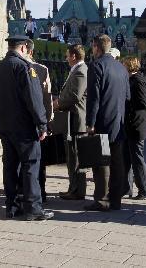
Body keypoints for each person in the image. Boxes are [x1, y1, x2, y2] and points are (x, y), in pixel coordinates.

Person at [0, 35, 53, 221]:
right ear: (23, 48)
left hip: (4, 124)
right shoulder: (24, 68)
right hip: (23, 126)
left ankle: (12, 206)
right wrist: (42, 124)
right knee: (31, 164)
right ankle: (33, 208)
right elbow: (34, 99)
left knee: (10, 165)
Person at [84, 34, 130, 212]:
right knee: (117, 162)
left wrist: (90, 122)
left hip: (102, 121)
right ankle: (116, 199)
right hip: (118, 122)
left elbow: (94, 98)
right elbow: (127, 97)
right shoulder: (121, 68)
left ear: (96, 47)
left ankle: (102, 200)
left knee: (101, 163)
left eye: (93, 47)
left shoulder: (96, 65)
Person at [56, 44, 88, 200]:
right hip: (71, 118)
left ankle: (77, 190)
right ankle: (73, 188)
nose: (66, 58)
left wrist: (58, 103)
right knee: (72, 156)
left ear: (74, 56)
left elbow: (75, 95)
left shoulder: (81, 71)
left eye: (67, 55)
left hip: (76, 120)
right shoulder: (76, 70)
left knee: (75, 156)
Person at [25, 39, 53, 203]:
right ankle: (40, 192)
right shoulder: (41, 69)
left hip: (19, 121)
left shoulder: (9, 66)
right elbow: (47, 98)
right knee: (38, 160)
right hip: (37, 122)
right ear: (32, 52)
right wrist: (48, 121)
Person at [122, 56, 146, 200]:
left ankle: (145, 190)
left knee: (137, 159)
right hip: (131, 124)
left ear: (129, 66)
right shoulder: (131, 80)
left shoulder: (137, 81)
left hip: (136, 124)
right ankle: (126, 188)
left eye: (124, 65)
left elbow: (143, 103)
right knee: (127, 158)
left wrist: (128, 104)